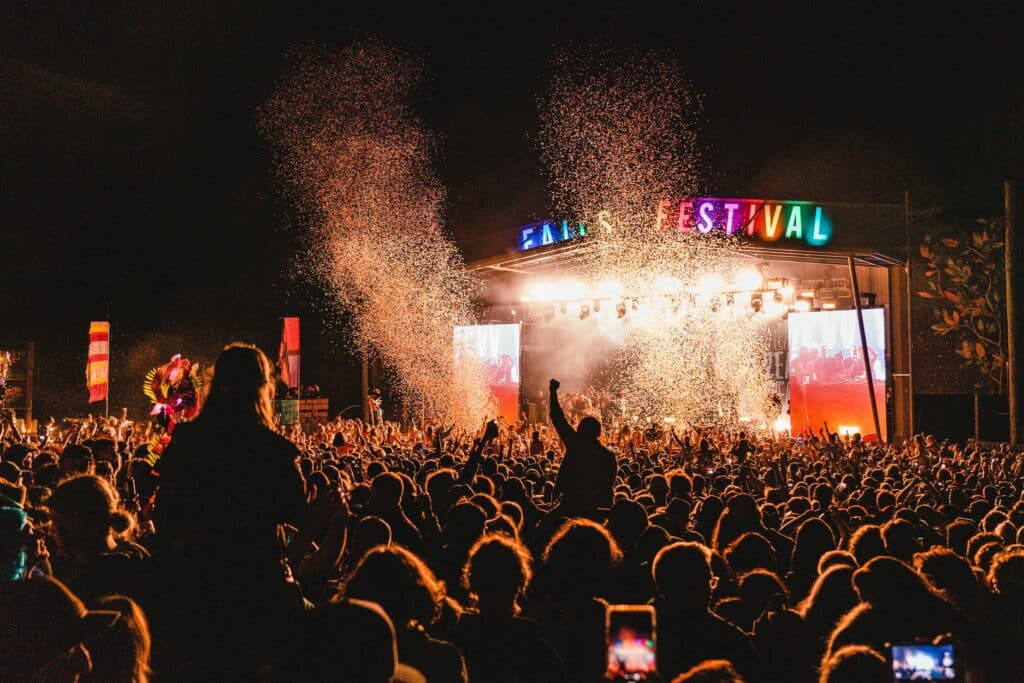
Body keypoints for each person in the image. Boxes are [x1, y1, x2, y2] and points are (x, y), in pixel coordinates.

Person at [151, 343, 307, 680]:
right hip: (257, 593)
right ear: (263, 386)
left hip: (192, 592)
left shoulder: (188, 441)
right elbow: (296, 511)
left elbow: (164, 511)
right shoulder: (271, 449)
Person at [547, 378, 616, 518]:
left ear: (580, 429)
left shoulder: (575, 443)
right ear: (598, 431)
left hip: (571, 504)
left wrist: (553, 391)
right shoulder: (608, 455)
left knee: (544, 528)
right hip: (598, 508)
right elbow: (609, 483)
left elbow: (557, 417)